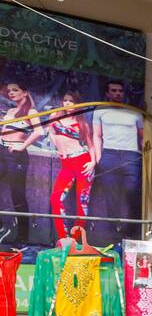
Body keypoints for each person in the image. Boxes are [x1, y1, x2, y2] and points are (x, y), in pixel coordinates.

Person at [90, 80, 144, 243]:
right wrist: (99, 157)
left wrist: (144, 156)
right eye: (113, 90)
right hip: (110, 154)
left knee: (132, 193)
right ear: (107, 93)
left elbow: (142, 137)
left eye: (120, 91)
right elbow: (96, 135)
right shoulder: (100, 110)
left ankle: (130, 231)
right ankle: (115, 232)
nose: (117, 94)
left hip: (131, 155)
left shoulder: (134, 113)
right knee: (111, 195)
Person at [42, 91, 94, 241]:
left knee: (82, 202)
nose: (68, 104)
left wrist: (93, 162)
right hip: (67, 164)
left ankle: (76, 239)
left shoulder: (82, 123)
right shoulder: (55, 117)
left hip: (83, 161)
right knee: (56, 199)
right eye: (65, 100)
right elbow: (48, 132)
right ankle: (63, 238)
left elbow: (91, 145)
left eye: (71, 101)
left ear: (77, 104)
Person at [0, 82, 39, 244]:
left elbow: (39, 131)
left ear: (25, 92)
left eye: (15, 90)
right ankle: (2, 226)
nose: (11, 93)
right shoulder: (10, 111)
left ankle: (23, 237)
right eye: (9, 91)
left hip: (16, 155)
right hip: (2, 151)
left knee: (18, 195)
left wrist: (22, 147)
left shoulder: (31, 111)